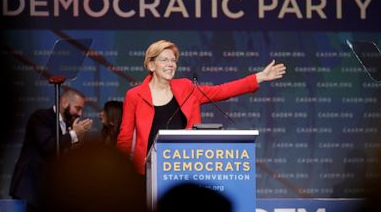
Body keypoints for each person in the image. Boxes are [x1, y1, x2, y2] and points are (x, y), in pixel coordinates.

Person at [117, 40, 286, 174]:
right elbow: (124, 139)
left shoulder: (186, 87)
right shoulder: (134, 95)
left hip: (184, 167)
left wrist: (259, 77)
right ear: (151, 65)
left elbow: (222, 91)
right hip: (148, 170)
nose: (171, 64)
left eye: (173, 60)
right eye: (165, 60)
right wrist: (120, 172)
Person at [9, 88, 93, 212]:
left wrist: (75, 138)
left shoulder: (69, 126)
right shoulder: (41, 117)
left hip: (49, 193)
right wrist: (74, 134)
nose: (80, 114)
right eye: (78, 108)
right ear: (64, 102)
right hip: (31, 190)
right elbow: (49, 146)